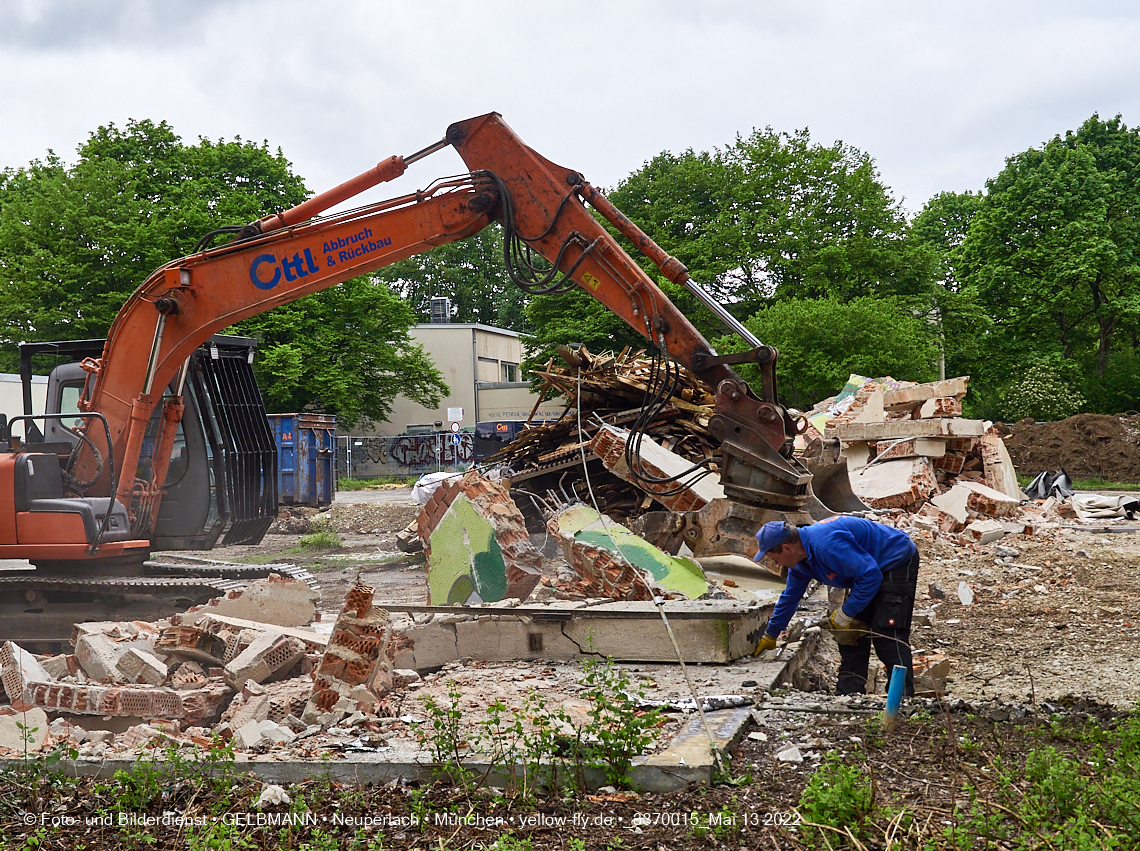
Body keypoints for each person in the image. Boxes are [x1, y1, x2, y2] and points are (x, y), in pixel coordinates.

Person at [753, 517, 919, 696]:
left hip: (895, 559)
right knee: (851, 633)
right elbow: (790, 597)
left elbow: (871, 575)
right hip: (866, 571)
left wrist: (846, 613)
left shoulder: (827, 546)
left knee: (887, 634)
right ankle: (849, 694)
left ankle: (902, 699)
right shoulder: (800, 563)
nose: (776, 564)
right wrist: (771, 633)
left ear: (786, 548)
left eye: (774, 558)